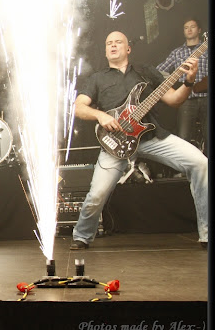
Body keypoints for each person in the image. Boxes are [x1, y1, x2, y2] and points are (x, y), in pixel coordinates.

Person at [70, 31, 207, 250]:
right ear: (105, 51)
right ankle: (82, 236)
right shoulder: (97, 78)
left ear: (128, 48)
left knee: (201, 163)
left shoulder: (146, 72)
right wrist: (101, 115)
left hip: (151, 137)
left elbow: (174, 100)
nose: (113, 45)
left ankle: (206, 233)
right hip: (116, 143)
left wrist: (189, 81)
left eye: (118, 42)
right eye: (109, 43)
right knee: (96, 194)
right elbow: (78, 107)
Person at [157, 17, 209, 156]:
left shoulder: (206, 49)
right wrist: (172, 84)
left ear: (199, 30)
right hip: (186, 99)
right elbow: (158, 71)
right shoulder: (177, 52)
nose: (189, 30)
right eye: (186, 27)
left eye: (192, 27)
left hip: (206, 97)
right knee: (183, 137)